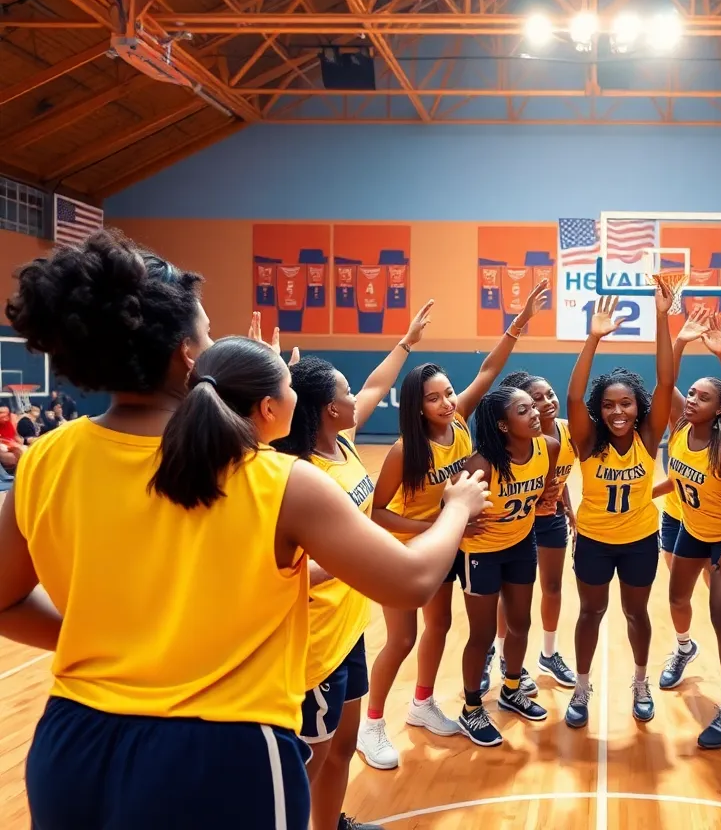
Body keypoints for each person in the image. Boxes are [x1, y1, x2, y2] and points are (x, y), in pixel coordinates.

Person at [0, 232, 488, 829]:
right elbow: (411, 580)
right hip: (222, 747)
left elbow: (5, 602)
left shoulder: (48, 457)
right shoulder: (274, 477)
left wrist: (107, 642)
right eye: (207, 334)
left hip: (73, 741)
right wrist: (459, 506)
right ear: (187, 354)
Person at [357, 279, 550, 769]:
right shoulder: (406, 450)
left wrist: (520, 322)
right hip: (404, 548)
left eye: (447, 394)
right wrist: (444, 525)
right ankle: (372, 723)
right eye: (434, 398)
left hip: (447, 543)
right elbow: (376, 513)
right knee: (400, 638)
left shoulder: (462, 423)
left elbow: (489, 370)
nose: (446, 403)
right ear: (415, 406)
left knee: (439, 626)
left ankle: (421, 705)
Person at [270, 300, 434, 830]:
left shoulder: (343, 441)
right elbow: (293, 572)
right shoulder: (296, 474)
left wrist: (406, 341)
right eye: (345, 391)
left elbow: (377, 384)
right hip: (315, 639)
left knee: (342, 744)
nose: (356, 396)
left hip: (349, 627)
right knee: (312, 761)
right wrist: (358, 562)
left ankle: (328, 824)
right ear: (326, 409)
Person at [564, 288, 675, 729]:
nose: (617, 412)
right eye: (608, 405)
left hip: (640, 541)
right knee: (590, 613)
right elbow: (573, 400)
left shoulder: (649, 439)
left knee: (636, 613)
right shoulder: (589, 442)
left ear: (638, 407)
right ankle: (581, 686)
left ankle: (641, 681)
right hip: (593, 540)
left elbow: (667, 382)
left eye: (625, 403)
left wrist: (662, 318)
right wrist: (592, 339)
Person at [655, 311, 721, 749]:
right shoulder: (680, 429)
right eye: (691, 394)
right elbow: (665, 381)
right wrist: (678, 342)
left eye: (702, 397)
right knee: (677, 596)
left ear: (720, 408)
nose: (692, 399)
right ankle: (684, 649)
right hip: (693, 529)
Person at [455, 387, 560, 745]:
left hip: (520, 544)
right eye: (523, 410)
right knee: (482, 636)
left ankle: (511, 689)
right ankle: (470, 710)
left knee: (520, 624)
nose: (534, 413)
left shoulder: (549, 447)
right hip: (481, 552)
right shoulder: (481, 465)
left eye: (533, 407)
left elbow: (543, 493)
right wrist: (461, 522)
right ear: (502, 425)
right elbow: (451, 508)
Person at [494, 370, 579, 689]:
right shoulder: (516, 440)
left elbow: (559, 476)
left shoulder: (567, 432)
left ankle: (549, 653)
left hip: (552, 517)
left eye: (549, 394)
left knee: (553, 587)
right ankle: (504, 656)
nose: (547, 402)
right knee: (513, 596)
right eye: (536, 399)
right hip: (519, 520)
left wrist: (567, 506)